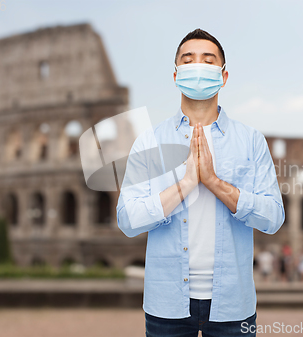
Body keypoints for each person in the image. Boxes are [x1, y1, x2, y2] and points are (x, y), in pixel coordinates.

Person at [116, 28, 285, 337]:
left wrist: (214, 182)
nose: (198, 66)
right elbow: (128, 220)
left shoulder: (250, 141)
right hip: (166, 303)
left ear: (223, 75)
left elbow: (273, 217)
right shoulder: (150, 141)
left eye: (208, 61)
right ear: (176, 73)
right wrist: (186, 184)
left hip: (233, 304)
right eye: (188, 59)